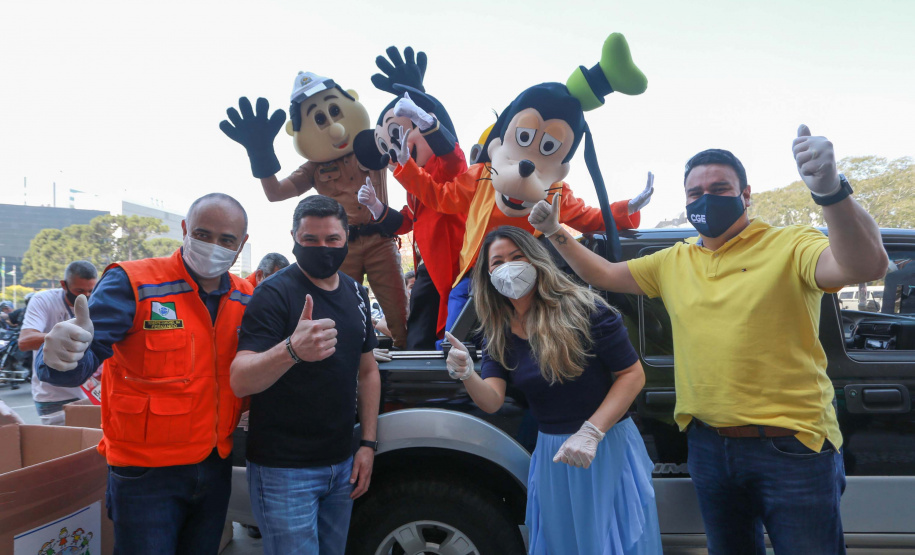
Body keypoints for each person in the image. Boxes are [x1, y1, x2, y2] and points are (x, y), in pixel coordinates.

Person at [529, 126, 889, 554]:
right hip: (709, 447)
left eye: (719, 188)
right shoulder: (675, 259)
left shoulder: (790, 244)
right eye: (694, 192)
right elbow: (603, 274)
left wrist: (831, 191)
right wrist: (556, 231)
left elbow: (866, 266)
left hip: (792, 446)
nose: (705, 199)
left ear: (746, 194)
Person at [37, 193, 253, 554]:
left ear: (241, 244)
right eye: (203, 234)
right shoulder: (133, 282)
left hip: (214, 466)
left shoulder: (247, 296)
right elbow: (82, 357)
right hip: (146, 473)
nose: (213, 246)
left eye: (226, 239)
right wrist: (62, 358)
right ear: (185, 230)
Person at [444, 225, 661, 554]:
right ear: (487, 275)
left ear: (536, 260)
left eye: (517, 257)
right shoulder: (498, 332)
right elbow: (491, 401)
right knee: (564, 543)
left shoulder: (585, 310)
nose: (508, 267)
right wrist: (467, 373)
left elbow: (632, 375)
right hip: (552, 454)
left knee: (609, 544)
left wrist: (591, 432)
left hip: (603, 445)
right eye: (497, 262)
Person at [230, 195, 380, 555]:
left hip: (342, 465)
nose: (322, 248)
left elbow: (368, 370)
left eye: (332, 239)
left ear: (346, 238)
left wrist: (368, 445)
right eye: (310, 239)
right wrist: (292, 350)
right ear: (294, 238)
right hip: (283, 470)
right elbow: (240, 379)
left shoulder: (357, 294)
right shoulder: (273, 294)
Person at [18, 261, 98, 424]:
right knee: (63, 446)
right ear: (64, 285)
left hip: (92, 391)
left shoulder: (98, 301)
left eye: (91, 290)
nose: (86, 296)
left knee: (94, 444)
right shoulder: (44, 300)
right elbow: (25, 341)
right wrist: (61, 338)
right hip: (53, 394)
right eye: (79, 291)